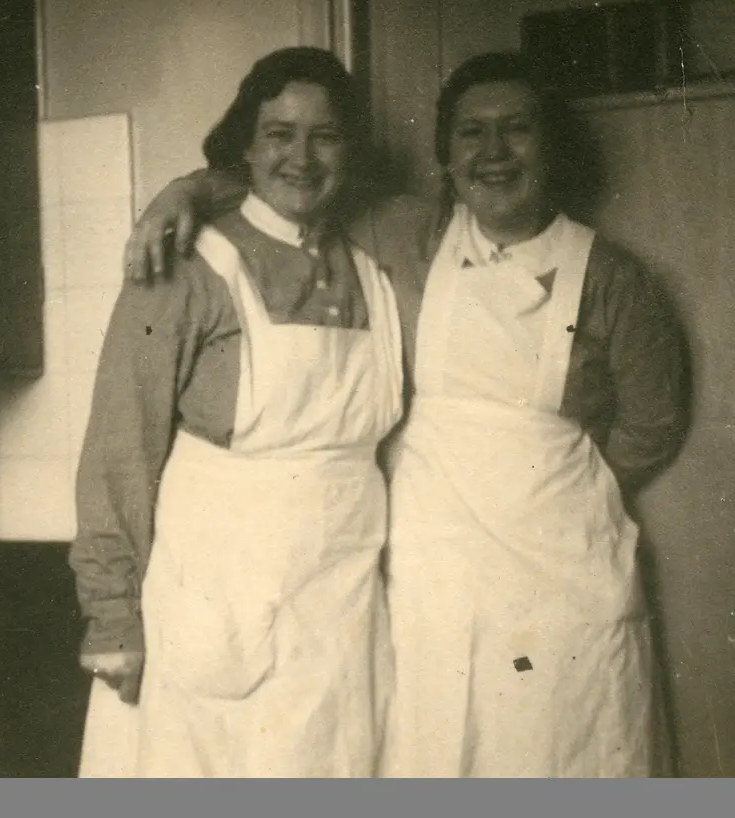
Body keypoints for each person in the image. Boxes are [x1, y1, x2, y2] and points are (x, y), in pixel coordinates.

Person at [125, 50, 690, 777]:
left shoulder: (614, 280)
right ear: (446, 158)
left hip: (564, 580)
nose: (493, 153)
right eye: (470, 133)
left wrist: (551, 492)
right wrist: (183, 192)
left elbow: (653, 424)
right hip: (433, 588)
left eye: (517, 129)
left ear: (551, 145)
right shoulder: (410, 234)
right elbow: (291, 181)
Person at [67, 47, 404, 778]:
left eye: (325, 136)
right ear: (244, 147)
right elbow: (118, 448)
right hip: (217, 608)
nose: (302, 158)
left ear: (350, 150)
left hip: (343, 614)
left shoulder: (374, 266)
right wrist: (112, 615)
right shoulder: (184, 267)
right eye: (278, 134)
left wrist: (192, 187)